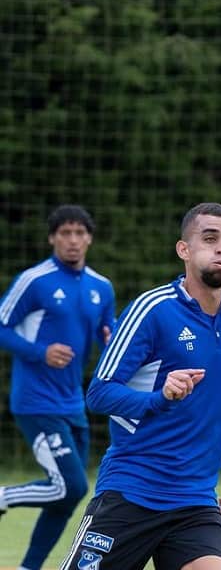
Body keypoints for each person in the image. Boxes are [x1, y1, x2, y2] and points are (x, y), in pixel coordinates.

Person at [58, 202, 221, 570]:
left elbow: (219, 403)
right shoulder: (152, 309)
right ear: (184, 249)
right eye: (209, 238)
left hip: (194, 503)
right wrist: (159, 398)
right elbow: (98, 393)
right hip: (132, 493)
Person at [0, 205, 115, 570]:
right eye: (65, 233)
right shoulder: (34, 280)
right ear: (52, 238)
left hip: (74, 404)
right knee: (73, 487)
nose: (73, 240)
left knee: (65, 498)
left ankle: (27, 568)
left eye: (80, 233)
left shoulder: (101, 287)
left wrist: (113, 340)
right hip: (35, 401)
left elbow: (108, 335)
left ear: (90, 239)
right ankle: (4, 496)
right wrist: (39, 352)